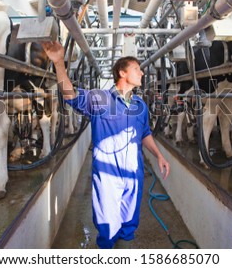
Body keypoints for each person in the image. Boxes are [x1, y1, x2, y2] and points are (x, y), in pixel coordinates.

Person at [42, 41, 170, 249]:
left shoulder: (140, 105)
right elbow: (70, 96)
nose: (142, 74)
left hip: (133, 173)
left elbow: (144, 133)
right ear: (122, 72)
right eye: (137, 69)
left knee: (129, 225)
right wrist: (59, 63)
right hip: (107, 175)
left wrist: (159, 156)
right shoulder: (99, 99)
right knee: (108, 227)